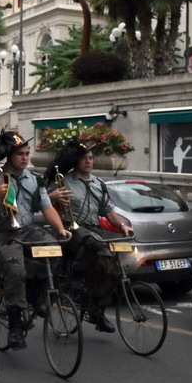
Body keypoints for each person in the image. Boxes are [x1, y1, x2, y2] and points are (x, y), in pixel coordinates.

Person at [0, 131, 71, 350]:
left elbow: (47, 208)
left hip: (26, 229)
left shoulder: (34, 179)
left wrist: (61, 229)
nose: (25, 158)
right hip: (1, 232)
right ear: (9, 156)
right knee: (15, 271)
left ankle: (35, 296)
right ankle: (15, 327)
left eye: (27, 153)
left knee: (54, 250)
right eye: (20, 154)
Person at [44, 139, 133, 332]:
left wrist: (122, 226)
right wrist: (52, 196)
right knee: (92, 243)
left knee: (112, 269)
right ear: (76, 161)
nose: (88, 161)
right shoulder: (64, 180)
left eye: (91, 158)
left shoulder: (99, 184)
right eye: (84, 158)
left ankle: (97, 312)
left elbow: (108, 211)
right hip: (71, 229)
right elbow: (43, 204)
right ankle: (75, 277)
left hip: (94, 230)